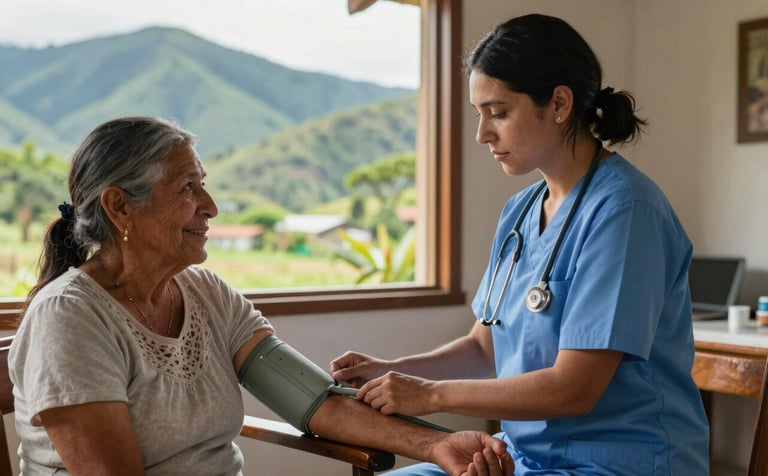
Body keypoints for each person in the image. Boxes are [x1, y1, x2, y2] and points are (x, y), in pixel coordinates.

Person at [8, 116, 514, 476]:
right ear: (120, 207)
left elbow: (317, 404)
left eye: (203, 185)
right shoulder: (70, 318)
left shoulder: (204, 293)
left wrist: (441, 443)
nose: (211, 207)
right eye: (188, 188)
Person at [331, 13, 709, 476]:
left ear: (559, 103)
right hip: (527, 457)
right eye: (479, 114)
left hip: (623, 463)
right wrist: (391, 370)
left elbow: (575, 389)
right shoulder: (521, 212)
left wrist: (428, 395)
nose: (482, 134)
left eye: (499, 112)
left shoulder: (626, 211)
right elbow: (483, 348)